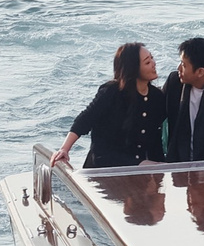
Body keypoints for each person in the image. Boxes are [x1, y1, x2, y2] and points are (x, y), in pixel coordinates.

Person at [53, 42, 167, 170]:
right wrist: (64, 149)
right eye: (147, 62)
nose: (154, 63)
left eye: (152, 58)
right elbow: (85, 119)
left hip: (140, 169)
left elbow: (155, 140)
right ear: (133, 68)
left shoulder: (157, 97)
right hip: (104, 166)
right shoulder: (111, 92)